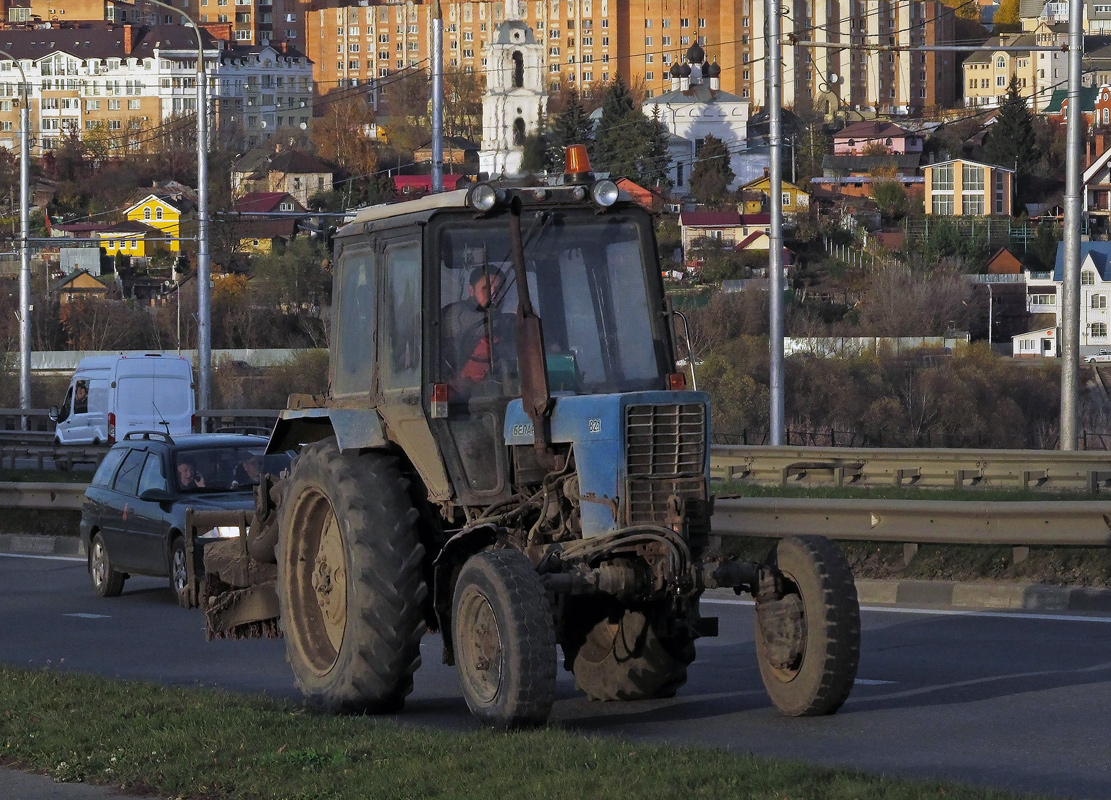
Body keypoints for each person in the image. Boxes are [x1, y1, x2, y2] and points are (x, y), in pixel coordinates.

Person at [441, 266, 514, 394]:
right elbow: (483, 324)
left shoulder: (505, 322)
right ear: (471, 291)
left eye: (499, 289)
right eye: (485, 289)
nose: (494, 294)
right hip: (461, 398)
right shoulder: (456, 314)